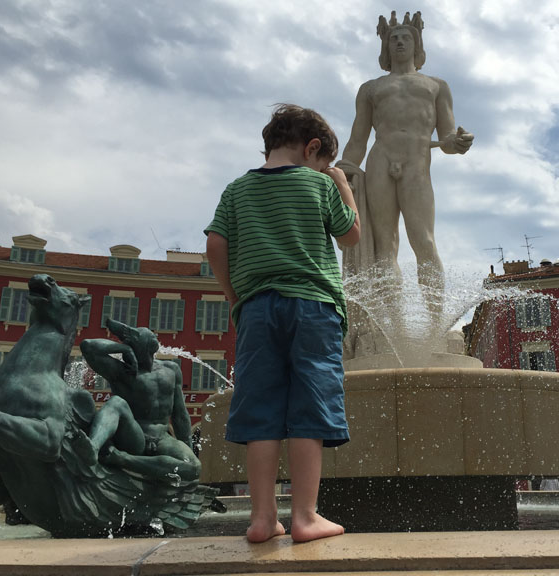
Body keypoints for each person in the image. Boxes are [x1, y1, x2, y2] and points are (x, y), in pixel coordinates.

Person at [205, 104, 360, 543]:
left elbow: (216, 246)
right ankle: (306, 518)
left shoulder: (236, 189)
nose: (327, 171)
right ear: (313, 149)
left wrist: (237, 298)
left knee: (261, 410)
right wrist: (342, 184)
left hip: (256, 308)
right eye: (325, 162)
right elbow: (351, 236)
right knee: (311, 405)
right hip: (313, 307)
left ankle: (261, 519)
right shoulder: (318, 183)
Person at [338, 11, 473, 334]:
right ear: (385, 45)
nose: (399, 41)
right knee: (385, 246)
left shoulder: (436, 86)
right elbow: (358, 139)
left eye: (406, 37)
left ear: (417, 44)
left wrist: (459, 142)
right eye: (393, 37)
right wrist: (341, 172)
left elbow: (448, 137)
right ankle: (394, 328)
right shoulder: (370, 89)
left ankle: (436, 323)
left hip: (416, 164)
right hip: (379, 162)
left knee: (424, 241)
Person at [78, 318, 201, 484]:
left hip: (163, 438)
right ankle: (91, 448)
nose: (153, 336)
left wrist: (189, 449)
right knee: (116, 403)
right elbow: (87, 346)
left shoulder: (171, 370)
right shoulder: (123, 371)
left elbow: (180, 415)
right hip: (136, 437)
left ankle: (121, 459)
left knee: (193, 468)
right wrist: (122, 348)